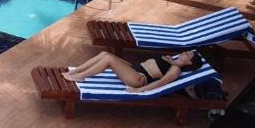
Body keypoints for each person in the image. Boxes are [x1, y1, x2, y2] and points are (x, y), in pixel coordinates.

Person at [62, 50, 203, 93]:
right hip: (134, 68)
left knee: (108, 61)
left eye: (189, 55)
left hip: (138, 79)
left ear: (189, 62)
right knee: (106, 54)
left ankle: (80, 77)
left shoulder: (176, 70)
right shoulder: (173, 61)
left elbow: (162, 82)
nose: (186, 52)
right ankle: (77, 70)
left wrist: (139, 91)